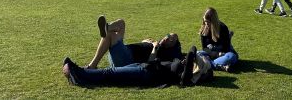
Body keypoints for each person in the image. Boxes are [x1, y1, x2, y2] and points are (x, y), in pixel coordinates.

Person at [63, 45, 213, 88]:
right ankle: (81, 72)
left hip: (146, 75)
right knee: (112, 73)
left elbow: (193, 50)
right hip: (144, 66)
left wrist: (195, 58)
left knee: (110, 73)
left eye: (195, 62)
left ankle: (79, 74)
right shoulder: (181, 64)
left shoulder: (185, 76)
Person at [86, 16, 182, 69]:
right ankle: (106, 28)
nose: (168, 38)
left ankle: (92, 65)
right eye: (168, 35)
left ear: (171, 46)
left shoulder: (162, 52)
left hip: (126, 59)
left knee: (110, 35)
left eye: (171, 40)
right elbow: (143, 44)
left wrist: (154, 48)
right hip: (123, 52)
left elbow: (150, 65)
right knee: (121, 23)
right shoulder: (156, 42)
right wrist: (147, 42)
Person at [198, 7, 238, 72]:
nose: (206, 24)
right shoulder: (204, 29)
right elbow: (204, 48)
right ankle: (220, 66)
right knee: (198, 53)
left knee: (231, 56)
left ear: (213, 21)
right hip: (212, 54)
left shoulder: (223, 28)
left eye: (208, 22)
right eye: (205, 22)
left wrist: (217, 54)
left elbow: (226, 48)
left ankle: (208, 63)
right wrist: (214, 54)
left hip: (223, 54)